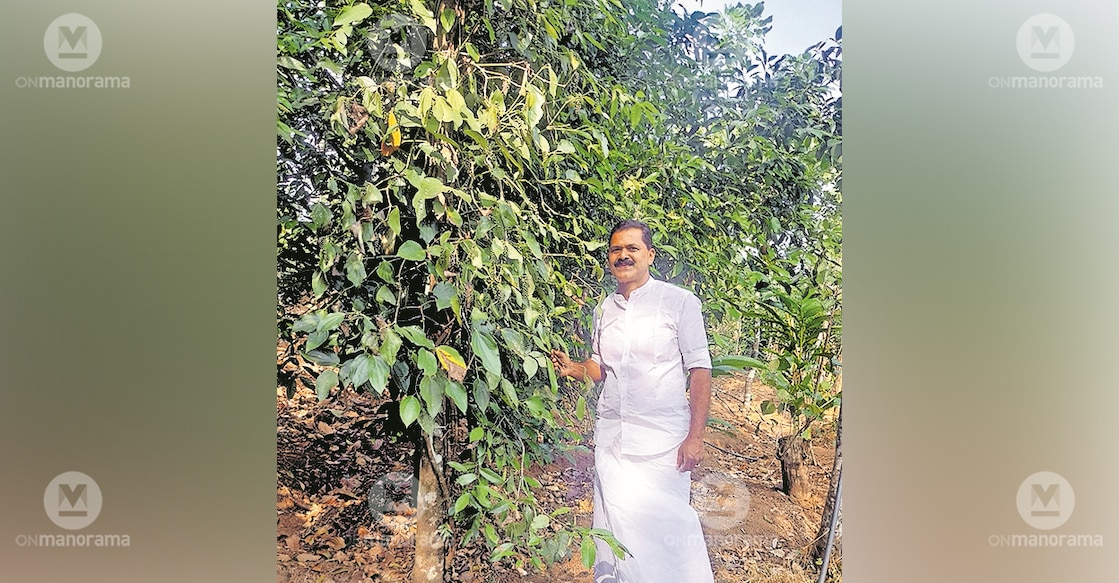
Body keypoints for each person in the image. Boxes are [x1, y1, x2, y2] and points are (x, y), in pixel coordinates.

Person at [550, 219, 714, 583]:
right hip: (613, 437)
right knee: (615, 528)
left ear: (650, 255)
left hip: (662, 442)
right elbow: (600, 367)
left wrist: (695, 436)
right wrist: (575, 368)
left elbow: (700, 369)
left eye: (632, 248)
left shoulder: (679, 303)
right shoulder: (604, 310)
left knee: (667, 529)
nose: (623, 256)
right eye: (615, 250)